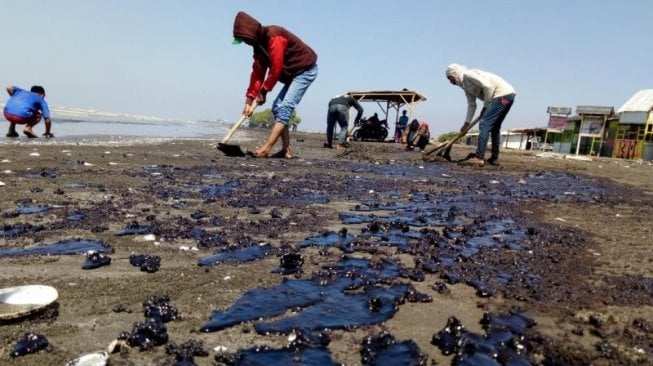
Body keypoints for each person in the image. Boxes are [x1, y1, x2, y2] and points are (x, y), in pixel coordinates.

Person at [233, 11, 318, 159]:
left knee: (285, 107)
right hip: (292, 75)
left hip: (305, 69)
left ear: (250, 32)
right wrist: (249, 99)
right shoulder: (258, 48)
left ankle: (266, 149)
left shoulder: (274, 35)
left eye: (244, 39)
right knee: (277, 107)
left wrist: (265, 91)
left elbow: (276, 67)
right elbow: (258, 73)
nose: (245, 43)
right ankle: (286, 150)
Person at [445, 64, 515, 166]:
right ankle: (494, 159)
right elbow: (472, 105)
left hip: (502, 94)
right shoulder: (465, 86)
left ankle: (479, 157)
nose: (450, 82)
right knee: (495, 127)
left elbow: (488, 86)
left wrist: (486, 106)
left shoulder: (468, 75)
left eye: (450, 78)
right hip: (508, 95)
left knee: (484, 124)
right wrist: (466, 124)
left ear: (455, 74)